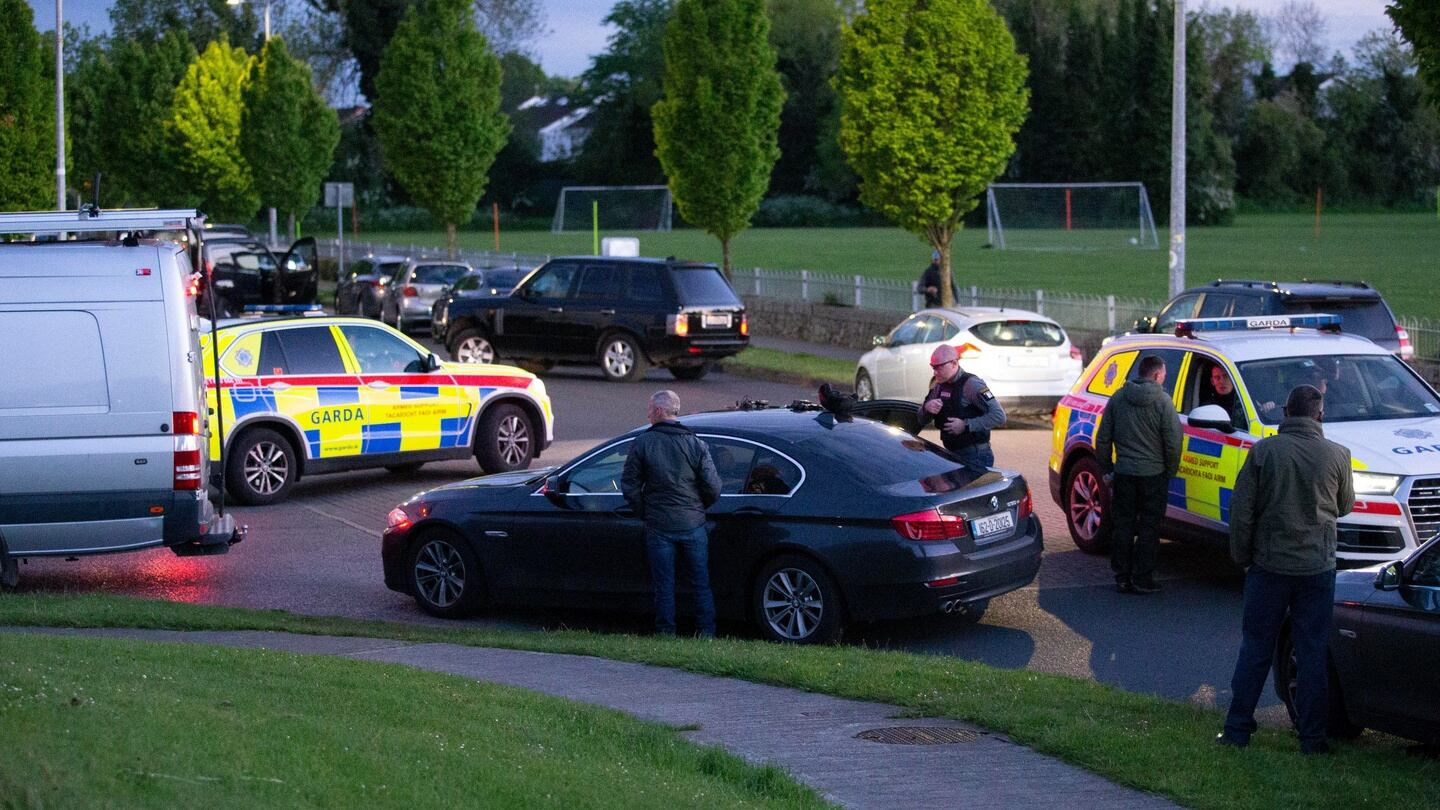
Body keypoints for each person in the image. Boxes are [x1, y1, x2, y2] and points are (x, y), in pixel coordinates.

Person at [1217, 384, 1353, 754]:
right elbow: (1344, 506)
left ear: (1286, 413)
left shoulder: (1264, 452)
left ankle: (1237, 729)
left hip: (1269, 565)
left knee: (1256, 648)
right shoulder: (1338, 455)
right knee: (1311, 654)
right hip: (1316, 568)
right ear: (1320, 415)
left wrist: (1243, 558)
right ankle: (1313, 738)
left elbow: (1242, 511)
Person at [621, 390, 723, 637]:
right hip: (693, 523)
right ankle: (706, 633)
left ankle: (666, 632)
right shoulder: (696, 443)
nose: (647, 414)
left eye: (649, 409)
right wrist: (698, 508)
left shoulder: (643, 443)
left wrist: (645, 511)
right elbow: (714, 486)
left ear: (658, 411)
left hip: (659, 525)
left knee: (664, 585)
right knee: (700, 583)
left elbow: (630, 484)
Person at [1094, 355, 1182, 595]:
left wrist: (1107, 468)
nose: (1164, 379)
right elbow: (1174, 441)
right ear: (1155, 375)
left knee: (1122, 524)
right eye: (1163, 375)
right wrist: (1169, 471)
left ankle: (1121, 576)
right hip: (1154, 474)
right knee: (1149, 528)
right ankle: (1143, 578)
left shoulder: (1118, 398)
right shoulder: (1164, 402)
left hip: (1123, 473)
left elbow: (1102, 439)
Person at [915, 343, 1007, 473]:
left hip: (976, 455)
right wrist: (927, 408)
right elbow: (920, 419)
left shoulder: (972, 384)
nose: (935, 372)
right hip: (952, 453)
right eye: (933, 367)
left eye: (939, 367)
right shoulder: (938, 384)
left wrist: (966, 425)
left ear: (953, 363)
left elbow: (999, 416)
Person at [1200, 365, 1248, 429]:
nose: (1221, 381)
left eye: (1226, 376)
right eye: (1217, 377)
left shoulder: (1247, 401)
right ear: (1212, 381)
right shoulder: (1207, 407)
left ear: (1233, 379)